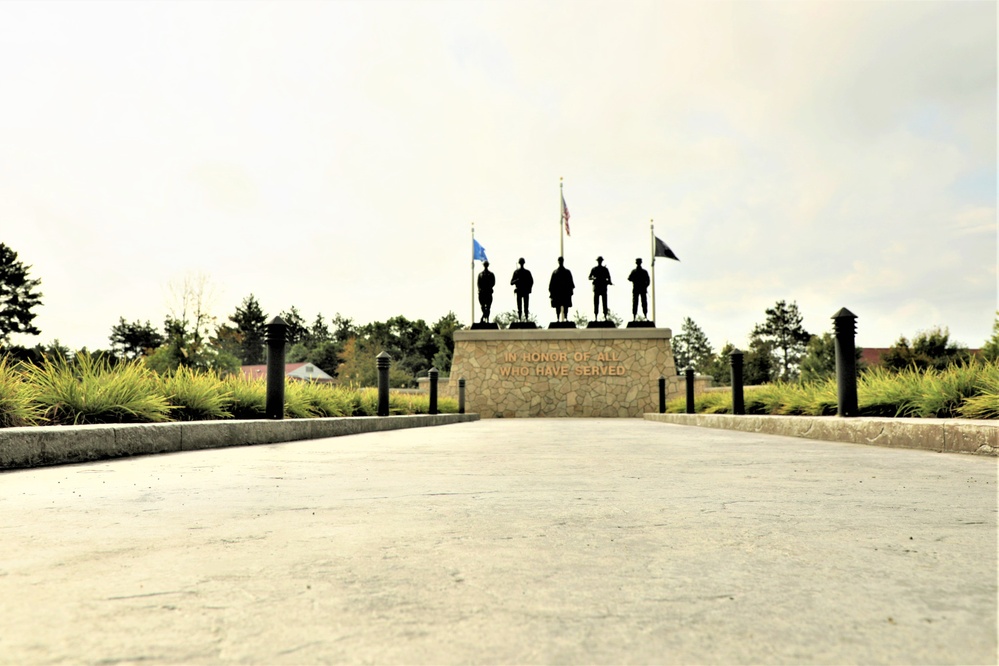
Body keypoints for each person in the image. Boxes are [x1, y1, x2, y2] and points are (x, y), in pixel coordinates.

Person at [548, 256, 575, 322]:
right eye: (559, 261)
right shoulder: (555, 272)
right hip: (557, 292)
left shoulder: (567, 272)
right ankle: (557, 318)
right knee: (557, 306)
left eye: (561, 260)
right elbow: (551, 284)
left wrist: (571, 291)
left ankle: (566, 318)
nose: (560, 262)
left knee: (566, 306)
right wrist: (551, 293)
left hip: (565, 292)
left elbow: (571, 283)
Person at [588, 256, 612, 321]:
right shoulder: (594, 269)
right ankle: (596, 316)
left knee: (604, 302)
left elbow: (609, 277)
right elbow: (589, 277)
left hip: (603, 287)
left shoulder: (605, 269)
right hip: (597, 287)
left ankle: (605, 316)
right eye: (599, 261)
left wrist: (609, 282)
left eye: (600, 261)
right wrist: (594, 278)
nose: (600, 262)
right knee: (596, 303)